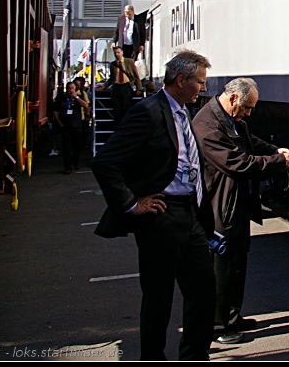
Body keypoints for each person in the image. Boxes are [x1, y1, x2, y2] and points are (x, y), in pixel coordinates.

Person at [90, 49, 215, 360]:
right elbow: (105, 162)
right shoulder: (147, 112)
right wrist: (131, 204)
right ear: (181, 79)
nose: (203, 89)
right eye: (199, 82)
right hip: (161, 217)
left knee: (203, 292)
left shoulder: (184, 113)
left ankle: (195, 356)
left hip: (191, 214)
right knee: (158, 298)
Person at [193, 77, 289, 344]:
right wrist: (277, 161)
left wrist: (274, 149)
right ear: (234, 98)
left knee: (236, 265)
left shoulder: (229, 119)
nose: (249, 113)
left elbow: (250, 142)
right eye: (248, 108)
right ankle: (218, 326)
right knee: (222, 267)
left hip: (234, 204)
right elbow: (237, 163)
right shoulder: (208, 125)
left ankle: (231, 315)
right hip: (220, 207)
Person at [52, 81, 89, 174]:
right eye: (68, 88)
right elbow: (55, 110)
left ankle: (75, 162)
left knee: (78, 146)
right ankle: (67, 167)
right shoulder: (61, 97)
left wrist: (75, 97)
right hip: (66, 126)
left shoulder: (78, 97)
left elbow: (85, 105)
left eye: (72, 89)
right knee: (66, 147)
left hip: (77, 125)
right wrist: (60, 123)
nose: (70, 90)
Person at [103, 46, 141, 127]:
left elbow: (136, 75)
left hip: (126, 86)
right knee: (117, 110)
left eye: (118, 52)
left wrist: (139, 88)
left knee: (126, 108)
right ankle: (118, 128)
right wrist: (104, 86)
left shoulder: (129, 62)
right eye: (115, 53)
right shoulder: (113, 64)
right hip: (116, 87)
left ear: (122, 52)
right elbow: (111, 79)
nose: (117, 54)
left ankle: (126, 126)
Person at [73, 76, 92, 155]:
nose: (77, 86)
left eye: (78, 84)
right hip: (73, 118)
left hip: (82, 117)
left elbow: (86, 105)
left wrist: (88, 115)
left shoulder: (83, 93)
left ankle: (83, 146)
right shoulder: (67, 94)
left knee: (84, 133)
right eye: (75, 84)